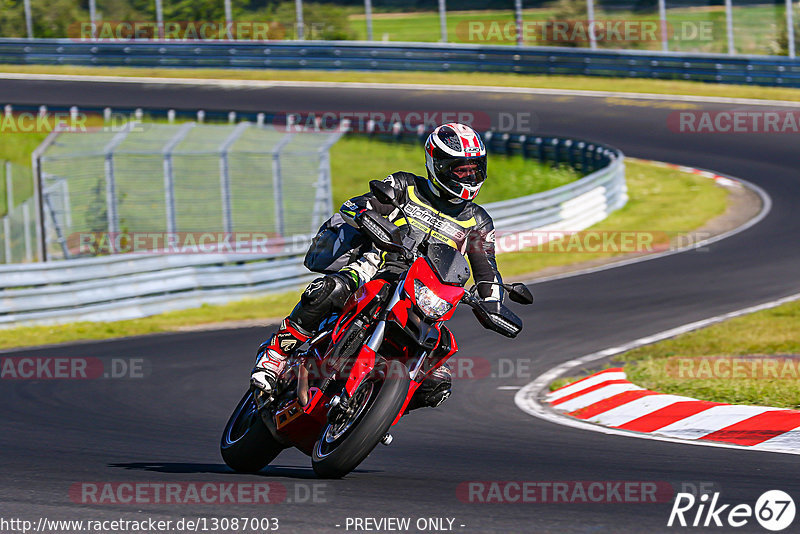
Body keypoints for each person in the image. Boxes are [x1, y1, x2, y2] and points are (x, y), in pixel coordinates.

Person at [250, 122, 504, 410]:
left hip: (425, 300)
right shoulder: (405, 185)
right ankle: (276, 356)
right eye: (461, 169)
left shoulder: (478, 221)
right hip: (375, 269)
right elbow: (358, 204)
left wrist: (494, 303)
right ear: (438, 164)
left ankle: (376, 410)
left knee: (438, 380)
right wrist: (364, 214)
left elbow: (487, 270)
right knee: (328, 290)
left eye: (475, 169)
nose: (469, 176)